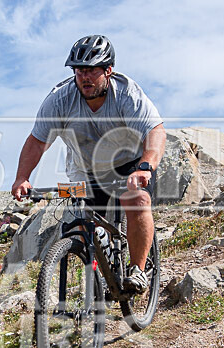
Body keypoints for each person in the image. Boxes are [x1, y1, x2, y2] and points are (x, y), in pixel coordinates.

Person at [11, 34, 166, 293]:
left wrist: (145, 167)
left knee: (137, 199)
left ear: (108, 71)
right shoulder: (60, 99)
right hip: (86, 169)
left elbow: (155, 130)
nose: (85, 77)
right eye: (80, 71)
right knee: (81, 218)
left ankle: (138, 270)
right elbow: (38, 141)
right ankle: (101, 277)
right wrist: (22, 177)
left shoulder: (127, 94)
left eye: (92, 71)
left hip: (129, 163)